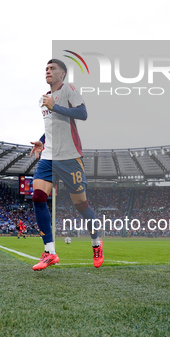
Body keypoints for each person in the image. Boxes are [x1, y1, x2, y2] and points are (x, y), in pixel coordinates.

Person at [28, 59, 103, 270]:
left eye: (52, 68)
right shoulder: (43, 99)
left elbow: (83, 114)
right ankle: (49, 251)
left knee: (81, 205)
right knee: (38, 196)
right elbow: (52, 127)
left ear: (63, 74)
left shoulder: (69, 89)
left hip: (70, 156)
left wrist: (57, 107)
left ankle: (96, 243)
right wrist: (42, 141)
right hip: (49, 156)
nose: (48, 71)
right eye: (46, 68)